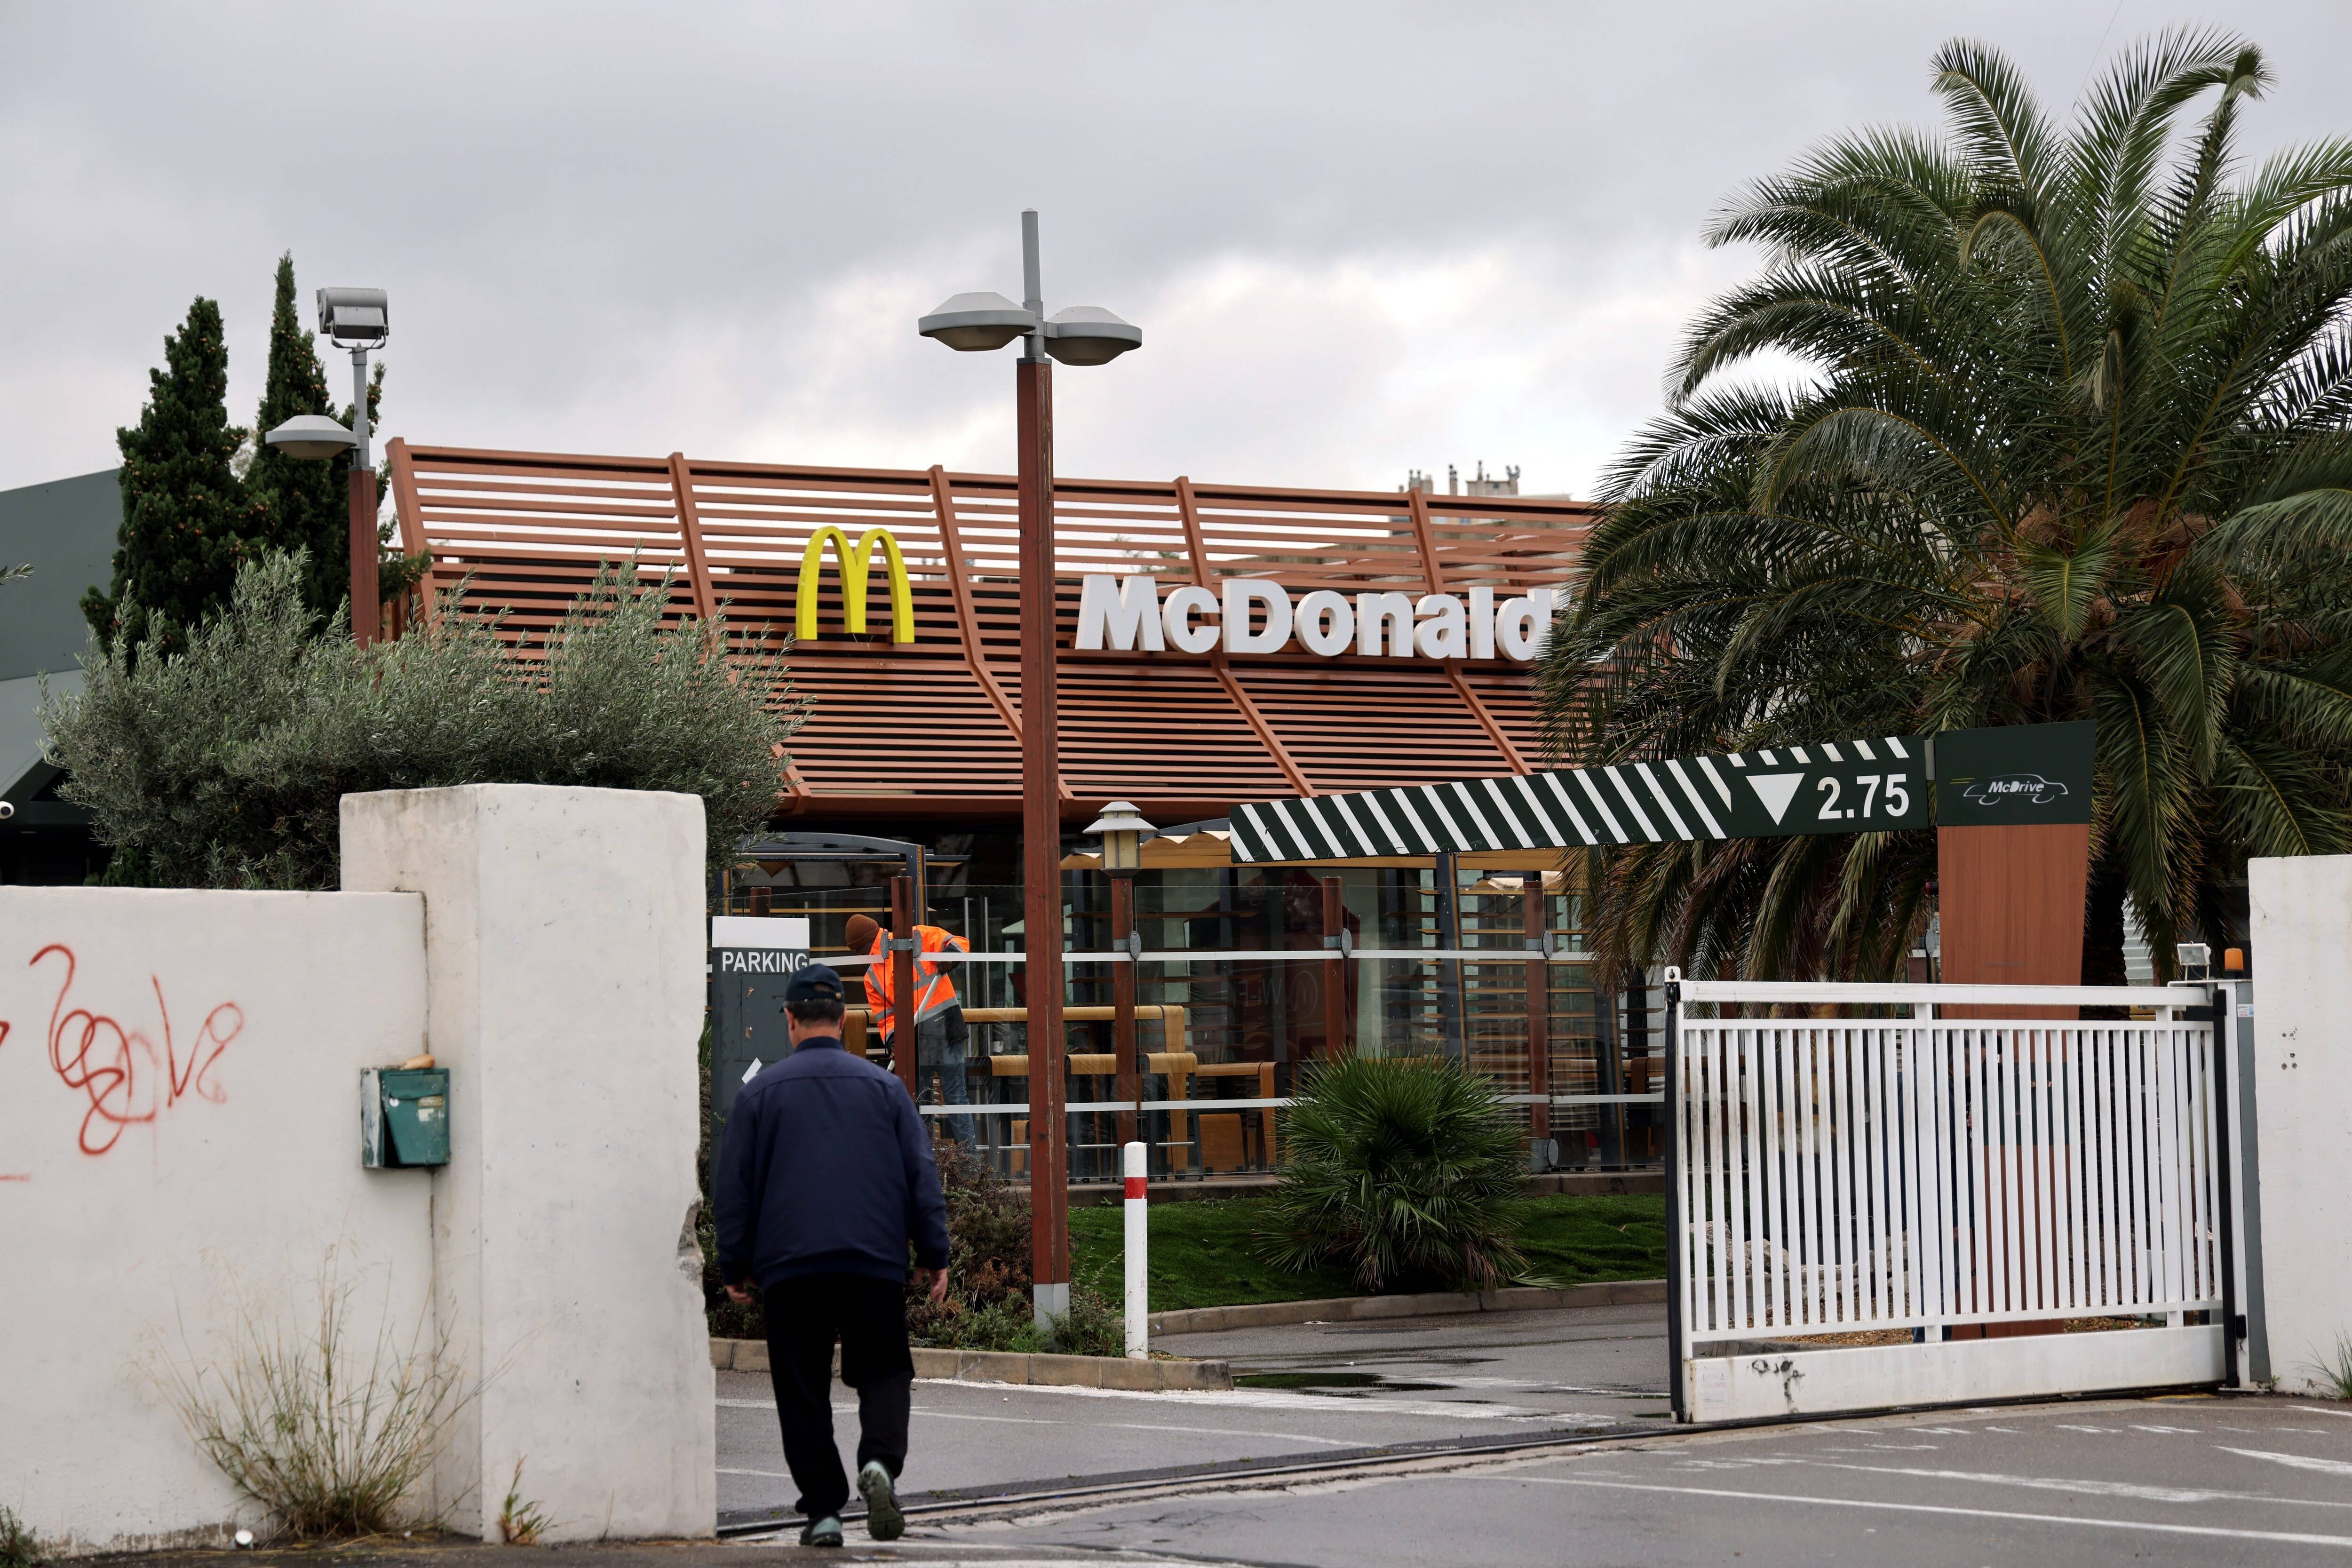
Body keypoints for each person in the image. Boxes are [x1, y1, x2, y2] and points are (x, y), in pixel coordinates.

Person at [714, 963, 951, 1549]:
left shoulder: (759, 1095)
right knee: (886, 1371)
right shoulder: (885, 1089)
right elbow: (919, 1173)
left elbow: (735, 1188)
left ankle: (822, 1513)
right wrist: (933, 1251)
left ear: (789, 1020)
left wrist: (734, 1263)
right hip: (872, 1260)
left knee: (801, 1389)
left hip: (791, 1267)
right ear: (844, 1020)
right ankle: (880, 1465)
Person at [845, 912, 974, 1146]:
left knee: (921, 1103)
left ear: (862, 949)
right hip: (927, 1035)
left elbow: (958, 943)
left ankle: (925, 1165)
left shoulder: (910, 943)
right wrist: (895, 1042)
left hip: (935, 1032)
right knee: (953, 1099)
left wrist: (950, 957)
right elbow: (887, 1020)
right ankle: (971, 1171)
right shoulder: (915, 938)